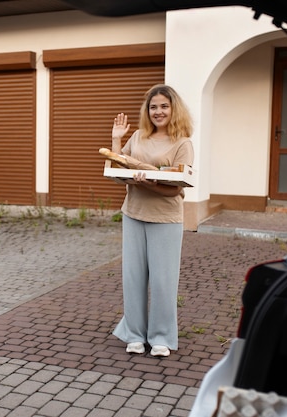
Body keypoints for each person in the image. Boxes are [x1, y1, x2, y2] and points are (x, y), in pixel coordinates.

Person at [110, 84, 194, 357]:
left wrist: (147, 183)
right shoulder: (137, 136)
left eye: (164, 106)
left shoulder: (182, 143)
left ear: (174, 109)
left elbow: (176, 188)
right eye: (153, 106)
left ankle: (161, 337)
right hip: (133, 213)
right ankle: (134, 334)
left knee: (162, 280)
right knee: (133, 277)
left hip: (166, 219)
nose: (158, 111)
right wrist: (116, 139)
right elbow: (117, 166)